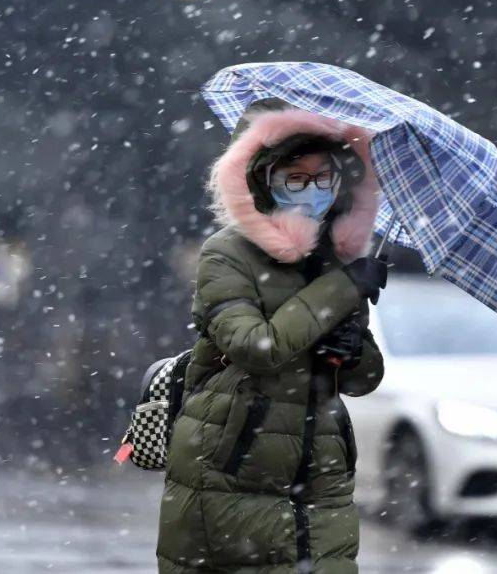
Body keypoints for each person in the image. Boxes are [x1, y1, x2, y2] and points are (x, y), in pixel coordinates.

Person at [157, 98, 387, 573]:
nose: (312, 190)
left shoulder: (335, 260)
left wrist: (352, 352)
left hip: (320, 466)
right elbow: (257, 346)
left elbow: (363, 380)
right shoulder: (228, 254)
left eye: (324, 178)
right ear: (264, 181)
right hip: (233, 465)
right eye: (296, 179)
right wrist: (340, 289)